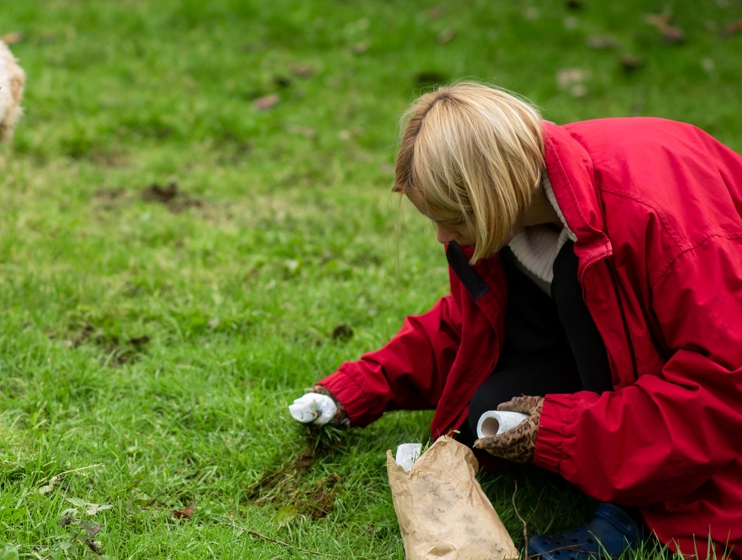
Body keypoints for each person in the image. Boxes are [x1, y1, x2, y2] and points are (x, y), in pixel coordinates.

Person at [289, 82, 742, 559]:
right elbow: (473, 328)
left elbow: (723, 383)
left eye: (452, 217)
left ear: (492, 192)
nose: (442, 235)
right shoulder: (513, 215)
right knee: (487, 402)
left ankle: (635, 515)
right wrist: (358, 388)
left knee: (570, 285)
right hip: (655, 361)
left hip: (719, 378)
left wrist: (561, 431)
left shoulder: (655, 214)